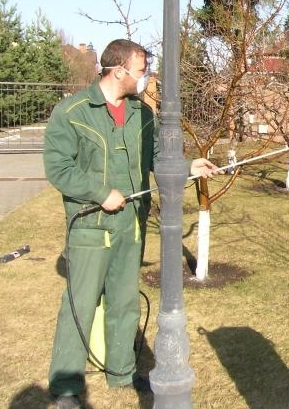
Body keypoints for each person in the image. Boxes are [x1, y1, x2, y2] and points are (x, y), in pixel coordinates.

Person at [44, 39, 217, 408]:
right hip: (90, 227)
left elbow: (157, 157)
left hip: (130, 225)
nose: (144, 77)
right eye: (141, 71)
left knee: (125, 302)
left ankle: (121, 372)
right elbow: (59, 168)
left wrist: (189, 168)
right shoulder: (72, 112)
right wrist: (99, 192)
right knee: (81, 302)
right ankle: (67, 387)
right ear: (118, 69)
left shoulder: (143, 114)